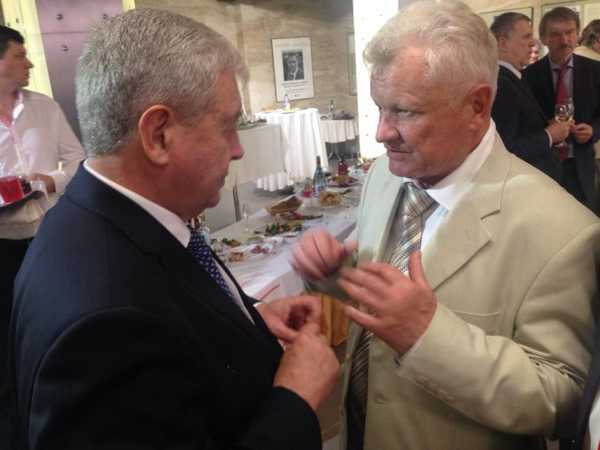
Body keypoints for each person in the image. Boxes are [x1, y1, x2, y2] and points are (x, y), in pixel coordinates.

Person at [7, 9, 339, 450]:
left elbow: (171, 324)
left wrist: (244, 322)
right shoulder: (105, 327)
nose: (238, 150)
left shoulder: (104, 218)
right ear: (158, 134)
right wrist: (297, 399)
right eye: (227, 127)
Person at [292, 1, 600, 449]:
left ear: (477, 106)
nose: (381, 133)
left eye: (404, 112)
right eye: (379, 108)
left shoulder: (565, 231)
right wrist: (335, 277)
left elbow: (561, 398)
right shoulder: (384, 176)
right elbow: (387, 300)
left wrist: (428, 337)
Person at [0, 24, 83, 427]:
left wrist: (51, 181)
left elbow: (78, 159)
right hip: (2, 243)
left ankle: (68, 403)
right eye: (19, 55)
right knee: (8, 333)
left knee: (58, 320)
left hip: (50, 235)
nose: (29, 63)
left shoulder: (45, 108)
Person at [523, 7, 600, 213]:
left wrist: (593, 131)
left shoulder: (595, 71)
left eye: (569, 32)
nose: (564, 40)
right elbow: (524, 122)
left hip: (581, 163)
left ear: (578, 34)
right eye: (556, 34)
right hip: (543, 166)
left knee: (585, 219)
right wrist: (545, 128)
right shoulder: (528, 76)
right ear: (544, 39)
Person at [490, 12, 569, 181]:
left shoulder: (513, 77)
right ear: (503, 43)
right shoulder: (502, 83)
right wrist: (549, 135)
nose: (533, 43)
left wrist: (547, 126)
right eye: (526, 37)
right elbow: (506, 150)